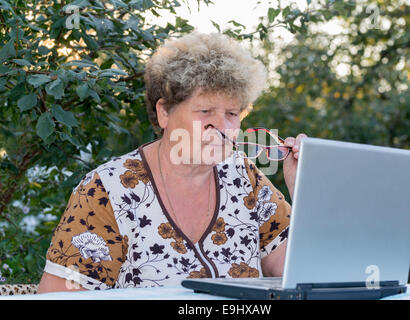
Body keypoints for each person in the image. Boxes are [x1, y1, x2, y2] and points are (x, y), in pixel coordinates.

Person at [37, 31, 307, 293]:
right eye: (205, 111)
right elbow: (58, 296)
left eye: (232, 113)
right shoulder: (107, 190)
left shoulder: (243, 177)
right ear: (164, 112)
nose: (223, 127)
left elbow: (302, 277)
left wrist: (305, 192)